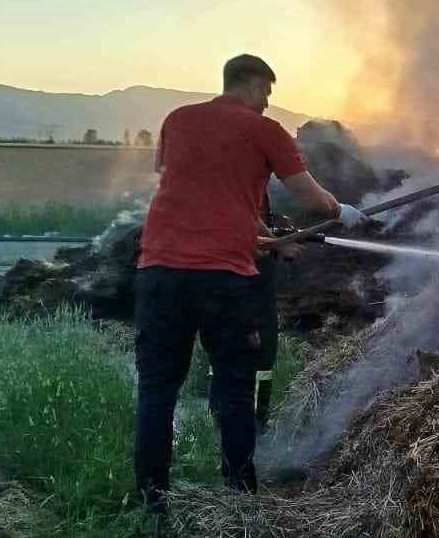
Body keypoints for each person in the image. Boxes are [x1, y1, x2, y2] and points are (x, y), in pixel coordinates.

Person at [133, 53, 367, 513]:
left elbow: (204, 200)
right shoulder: (264, 130)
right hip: (224, 282)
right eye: (266, 94)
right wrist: (341, 211)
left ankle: (151, 499)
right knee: (236, 385)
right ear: (256, 85)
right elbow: (307, 192)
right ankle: (239, 500)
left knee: (157, 389)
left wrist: (265, 241)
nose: (266, 104)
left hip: (158, 270)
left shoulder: (177, 121)